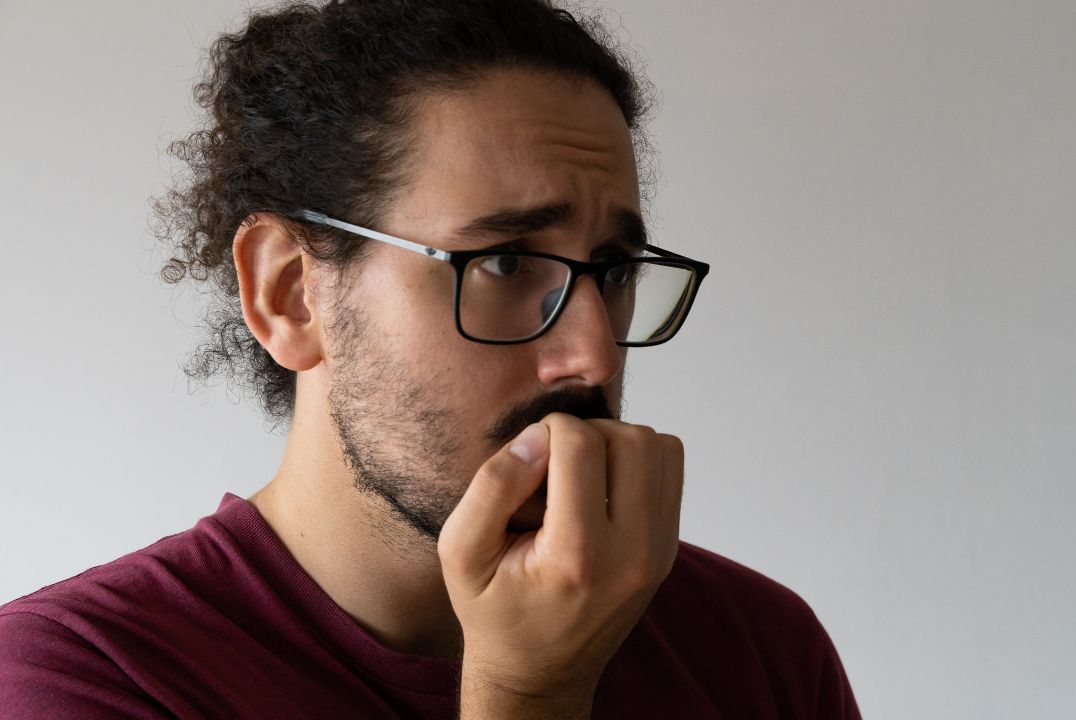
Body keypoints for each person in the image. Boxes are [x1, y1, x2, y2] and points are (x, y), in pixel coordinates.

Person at [0, 1, 859, 717]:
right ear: (290, 293)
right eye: (506, 263)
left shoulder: (759, 651)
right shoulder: (77, 678)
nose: (593, 355)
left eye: (614, 270)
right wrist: (529, 695)